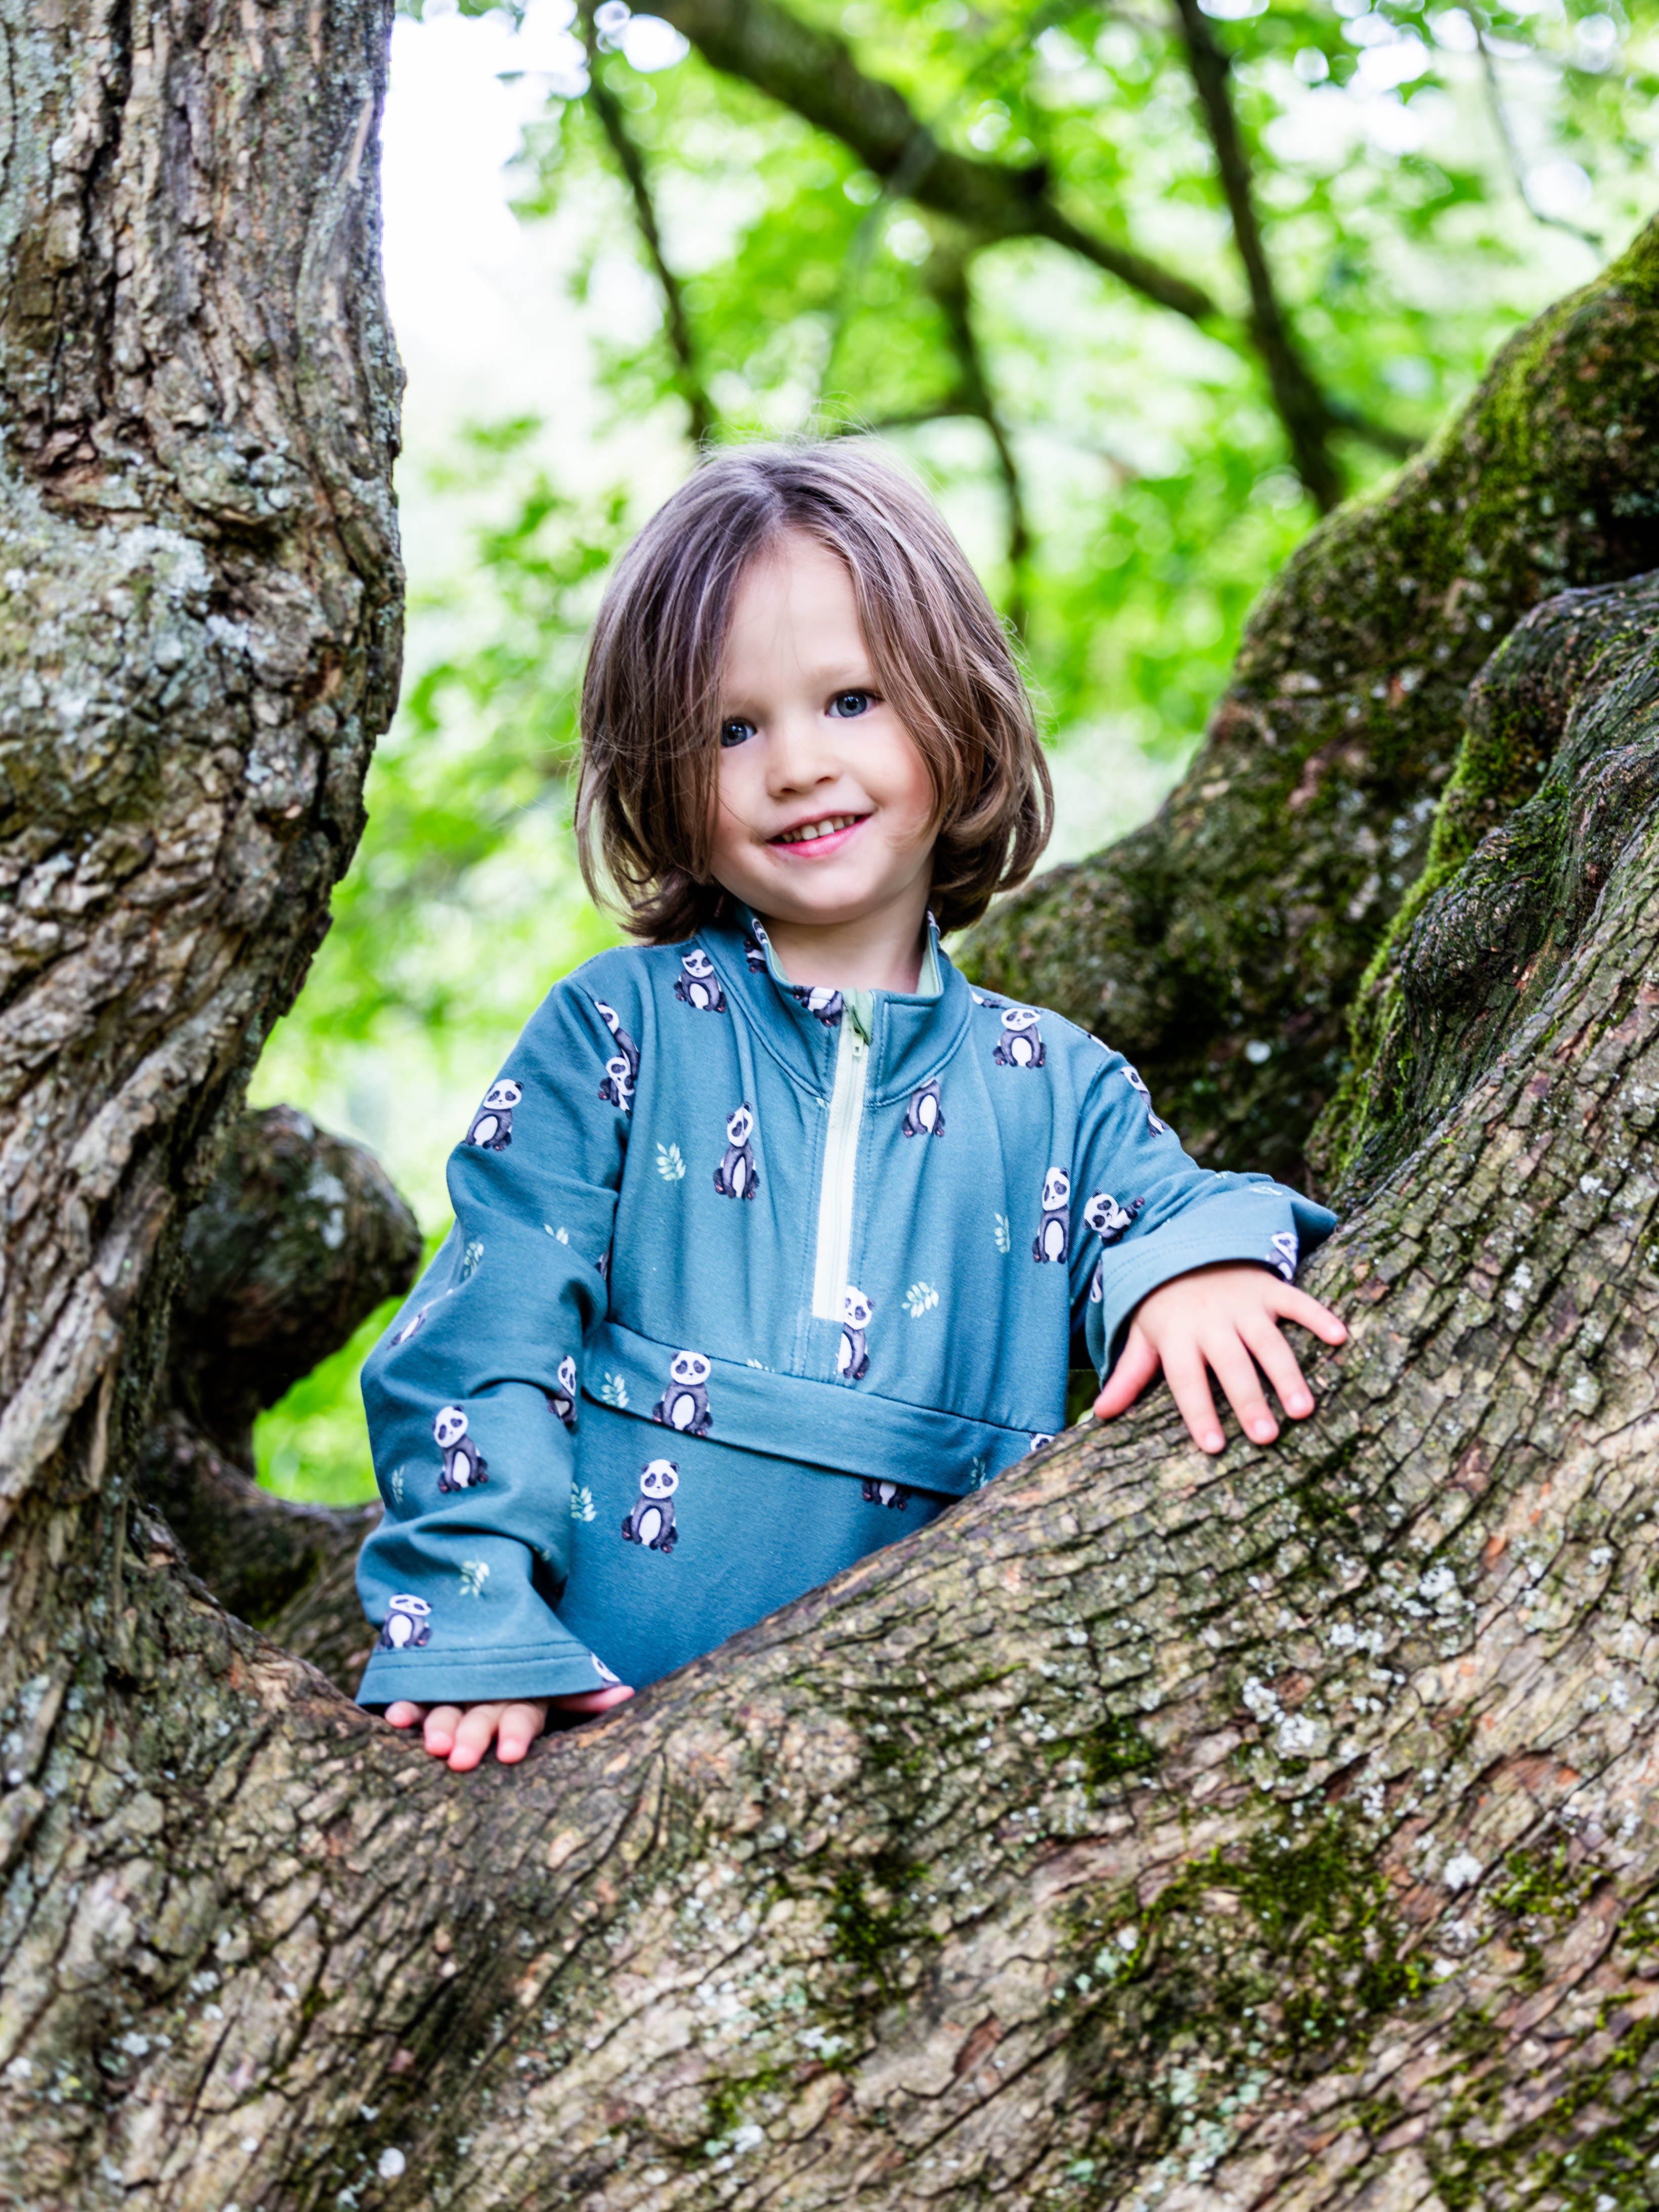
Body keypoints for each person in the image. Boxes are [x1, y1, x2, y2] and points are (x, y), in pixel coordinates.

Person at [356, 441, 1345, 1771]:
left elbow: (1180, 1212)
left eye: (852, 701)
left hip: (917, 1760)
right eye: (732, 728)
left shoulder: (1055, 1085)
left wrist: (1191, 1275)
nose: (796, 766)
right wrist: (472, 1615)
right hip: (582, 1732)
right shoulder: (617, 1032)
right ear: (665, 773)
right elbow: (484, 1333)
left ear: (958, 709)